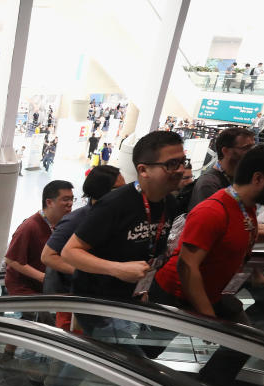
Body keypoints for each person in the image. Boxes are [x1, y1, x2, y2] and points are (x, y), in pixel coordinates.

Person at [150, 144, 264, 386]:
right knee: (146, 351)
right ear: (258, 178)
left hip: (208, 294)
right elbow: (187, 266)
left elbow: (236, 235)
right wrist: (208, 320)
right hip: (175, 296)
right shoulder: (213, 210)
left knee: (245, 340)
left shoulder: (245, 208)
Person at [62, 131, 184, 347]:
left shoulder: (169, 204)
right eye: (171, 164)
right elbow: (69, 252)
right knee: (128, 360)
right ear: (143, 170)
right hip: (97, 302)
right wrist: (116, 269)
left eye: (183, 162)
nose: (181, 170)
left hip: (130, 297)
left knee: (100, 355)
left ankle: (56, 383)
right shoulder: (115, 204)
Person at [41, 166, 124, 329]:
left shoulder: (112, 217)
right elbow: (47, 256)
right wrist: (85, 271)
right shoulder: (77, 219)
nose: (126, 194)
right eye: (118, 189)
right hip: (74, 299)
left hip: (99, 298)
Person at [5, 181, 75, 301]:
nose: (70, 204)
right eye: (65, 199)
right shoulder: (29, 226)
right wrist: (44, 278)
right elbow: (11, 260)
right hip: (26, 292)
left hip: (47, 289)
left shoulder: (64, 224)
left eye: (72, 199)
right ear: (49, 202)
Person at [190, 127, 254, 210]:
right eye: (246, 148)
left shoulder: (240, 178)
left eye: (252, 147)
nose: (252, 152)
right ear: (226, 151)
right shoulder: (209, 184)